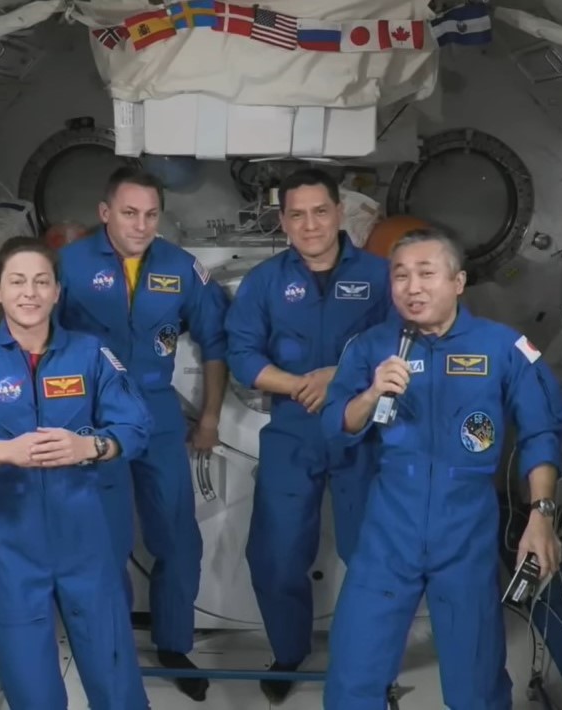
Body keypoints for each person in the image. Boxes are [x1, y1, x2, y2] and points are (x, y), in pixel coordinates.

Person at [320, 229, 562, 709]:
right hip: (389, 529)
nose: (412, 287)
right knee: (353, 675)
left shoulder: (504, 348)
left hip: (466, 531)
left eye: (426, 273)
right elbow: (335, 424)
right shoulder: (372, 347)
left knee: (476, 685)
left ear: (458, 282)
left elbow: (542, 432)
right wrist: (371, 395)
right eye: (401, 275)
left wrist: (541, 514)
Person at [0, 237, 151, 709]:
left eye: (41, 281)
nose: (30, 293)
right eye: (18, 282)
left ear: (57, 292)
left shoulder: (90, 356)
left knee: (114, 677)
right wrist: (1, 452)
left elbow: (137, 426)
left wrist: (89, 445)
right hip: (14, 548)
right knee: (29, 686)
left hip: (87, 539)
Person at [57, 167, 229, 701]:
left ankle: (174, 642)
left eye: (151, 214)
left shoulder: (181, 269)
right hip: (91, 416)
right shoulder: (70, 265)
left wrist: (209, 418)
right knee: (104, 545)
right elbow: (36, 335)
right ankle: (110, 649)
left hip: (155, 414)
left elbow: (216, 344)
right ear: (105, 212)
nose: (141, 224)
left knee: (178, 537)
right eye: (129, 213)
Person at [225, 168, 392, 703]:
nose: (309, 224)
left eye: (320, 211)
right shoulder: (266, 282)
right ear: (283, 221)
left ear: (339, 213)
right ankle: (289, 650)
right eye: (296, 214)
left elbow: (403, 344)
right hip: (294, 428)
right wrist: (300, 383)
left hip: (361, 428)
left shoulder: (381, 275)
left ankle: (368, 664)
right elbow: (243, 356)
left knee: (370, 555)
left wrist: (338, 376)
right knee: (274, 554)